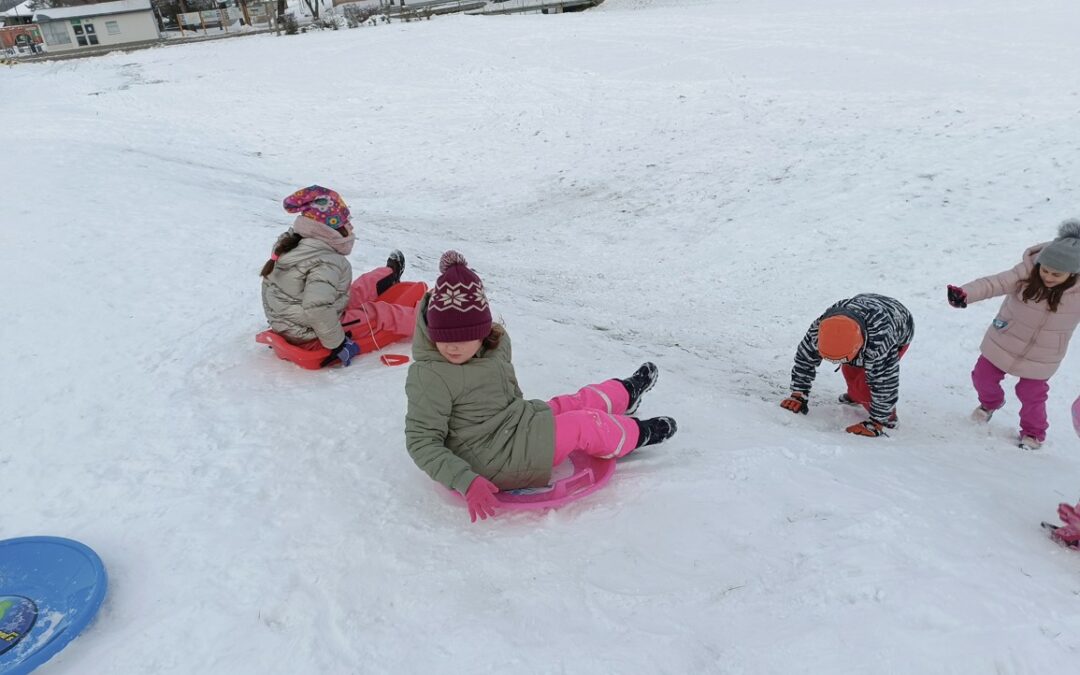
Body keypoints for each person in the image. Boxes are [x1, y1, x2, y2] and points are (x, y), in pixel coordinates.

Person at [404, 251, 678, 522]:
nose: (452, 346)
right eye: (442, 337)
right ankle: (639, 434)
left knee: (567, 404)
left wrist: (528, 420)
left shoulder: (494, 348)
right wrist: (466, 480)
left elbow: (506, 392)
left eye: (464, 337)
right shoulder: (430, 376)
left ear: (482, 331)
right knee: (582, 424)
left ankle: (625, 393)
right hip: (495, 463)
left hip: (515, 426)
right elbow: (422, 441)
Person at [946, 219, 1080, 449]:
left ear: (1073, 274)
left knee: (1032, 395)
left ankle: (1033, 433)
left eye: (1056, 275)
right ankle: (990, 403)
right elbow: (995, 283)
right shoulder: (1027, 273)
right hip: (1004, 339)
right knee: (982, 376)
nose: (1048, 276)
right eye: (1045, 269)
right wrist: (966, 293)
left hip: (1043, 354)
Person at [260, 185, 416, 367]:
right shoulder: (326, 261)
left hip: (296, 322)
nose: (351, 226)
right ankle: (434, 321)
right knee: (380, 312)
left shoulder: (294, 244)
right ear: (330, 227)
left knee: (357, 288)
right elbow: (317, 308)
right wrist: (338, 344)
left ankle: (390, 274)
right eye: (346, 221)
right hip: (312, 332)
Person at [780, 294, 914, 437]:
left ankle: (888, 418)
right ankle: (855, 395)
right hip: (864, 312)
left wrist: (877, 422)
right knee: (851, 372)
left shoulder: (880, 342)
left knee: (865, 386)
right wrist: (799, 393)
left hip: (900, 323)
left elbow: (885, 381)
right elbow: (805, 359)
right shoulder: (819, 328)